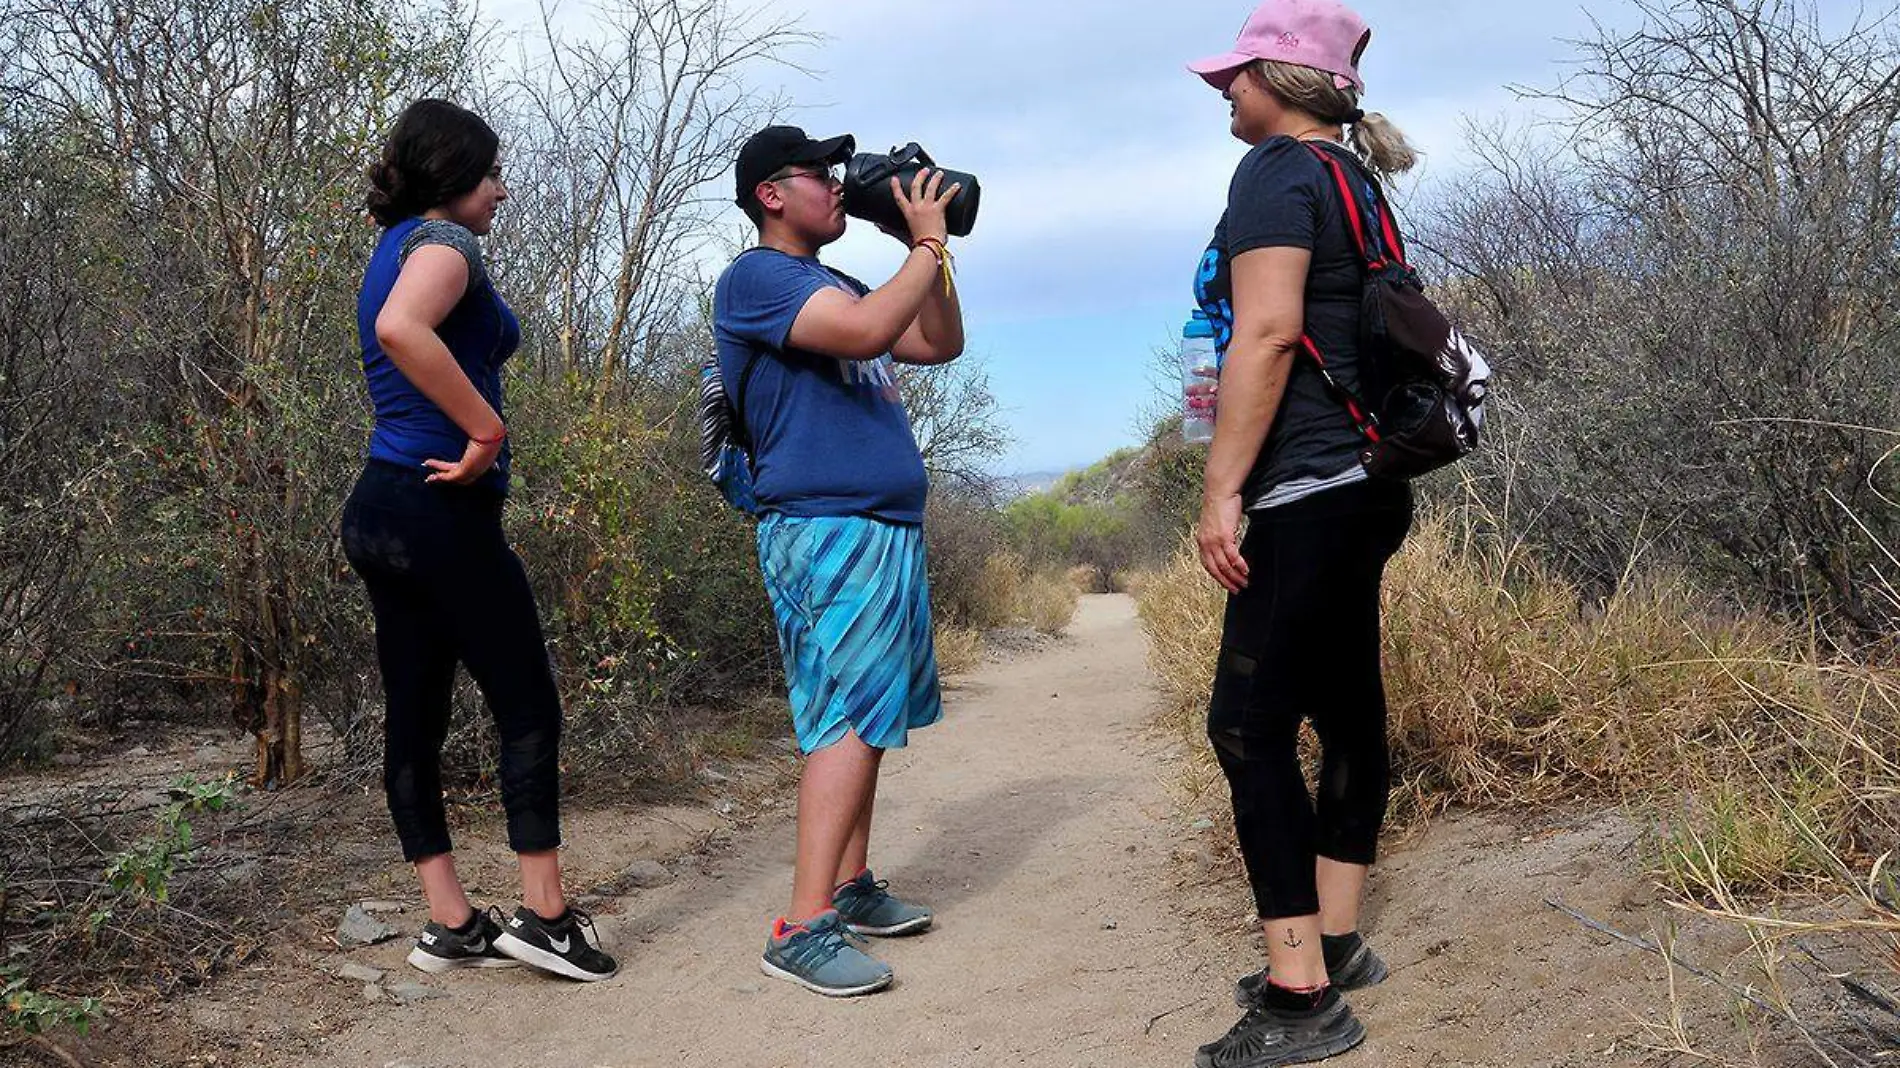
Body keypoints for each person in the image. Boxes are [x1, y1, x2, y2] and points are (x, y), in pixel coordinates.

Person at [1183, 1, 1421, 1063]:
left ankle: (1299, 996)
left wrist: (1220, 488)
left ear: (1281, 78)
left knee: (1246, 725)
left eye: (1235, 74)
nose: (1222, 90)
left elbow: (1270, 332)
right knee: (1344, 701)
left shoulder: (1276, 173)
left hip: (1303, 487)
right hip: (1369, 479)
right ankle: (1334, 940)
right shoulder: (1354, 181)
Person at [341, 98, 616, 983]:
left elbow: (395, 330)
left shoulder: (388, 251)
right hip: (440, 509)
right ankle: (546, 922)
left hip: (381, 510)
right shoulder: (448, 249)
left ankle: (452, 923)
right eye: (492, 173)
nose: (502, 190)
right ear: (455, 176)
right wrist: (486, 431)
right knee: (528, 707)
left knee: (414, 716)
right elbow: (402, 331)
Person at [712, 124, 965, 997]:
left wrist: (923, 251)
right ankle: (802, 925)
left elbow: (936, 344)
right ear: (771, 195)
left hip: (874, 525)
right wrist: (925, 244)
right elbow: (863, 333)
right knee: (848, 718)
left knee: (866, 711)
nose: (836, 183)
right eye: (818, 173)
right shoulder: (759, 276)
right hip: (826, 527)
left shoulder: (840, 279)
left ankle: (850, 886)